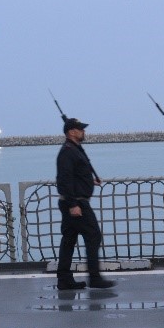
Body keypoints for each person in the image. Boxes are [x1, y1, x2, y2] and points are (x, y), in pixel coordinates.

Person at [54, 117, 115, 290]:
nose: (83, 132)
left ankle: (64, 278)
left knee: (69, 240)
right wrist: (74, 204)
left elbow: (75, 174)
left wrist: (88, 181)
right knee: (93, 236)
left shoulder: (73, 150)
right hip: (76, 203)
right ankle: (94, 278)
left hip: (72, 201)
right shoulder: (68, 151)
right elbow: (64, 179)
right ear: (71, 132)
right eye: (80, 129)